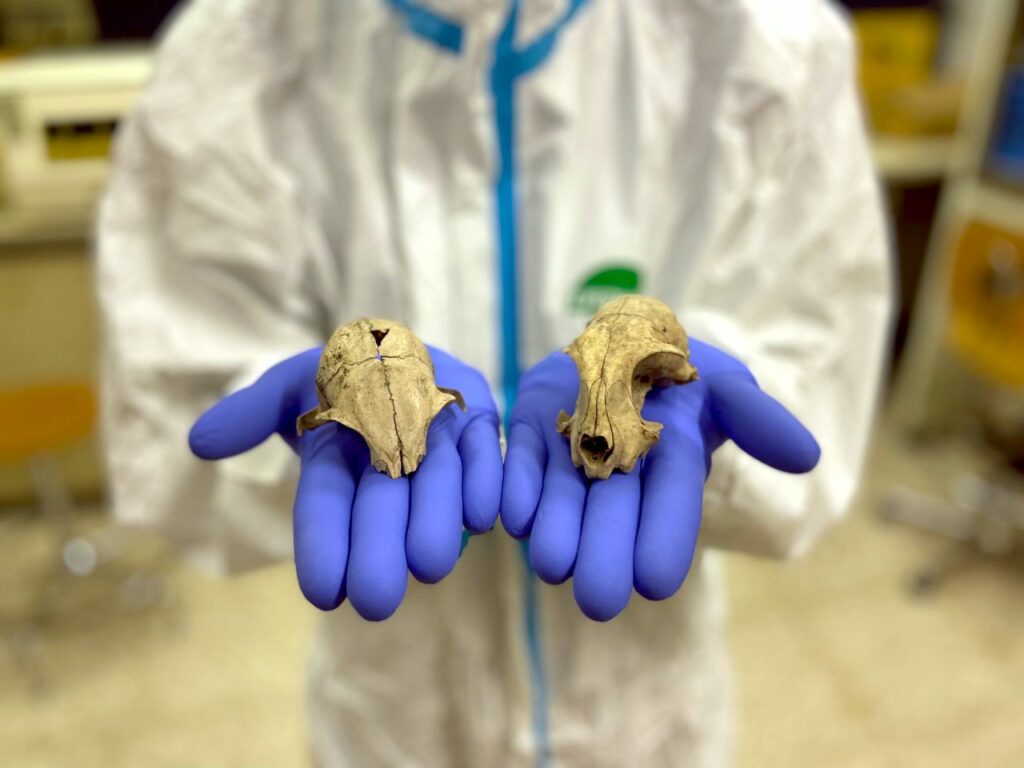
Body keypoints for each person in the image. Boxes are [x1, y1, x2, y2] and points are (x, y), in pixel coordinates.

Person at [96, 0, 892, 765]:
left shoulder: (770, 46)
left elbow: (819, 365)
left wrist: (713, 439)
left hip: (650, 721)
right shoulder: (232, 56)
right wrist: (297, 434)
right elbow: (172, 409)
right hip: (396, 723)